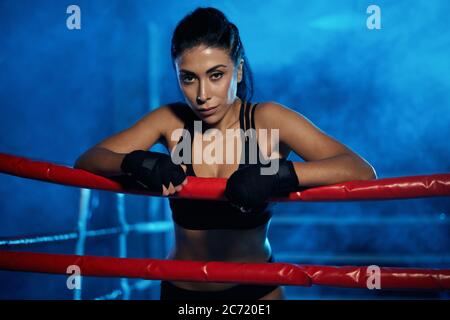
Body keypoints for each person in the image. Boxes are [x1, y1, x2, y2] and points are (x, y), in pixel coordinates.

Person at [74, 7, 376, 300]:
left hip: (258, 292)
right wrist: (137, 162)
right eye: (189, 78)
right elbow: (87, 160)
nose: (202, 95)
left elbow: (360, 170)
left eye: (216, 75)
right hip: (183, 292)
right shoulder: (171, 122)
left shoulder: (268, 120)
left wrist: (278, 175)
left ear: (239, 69)